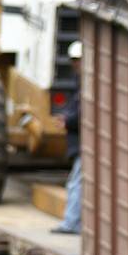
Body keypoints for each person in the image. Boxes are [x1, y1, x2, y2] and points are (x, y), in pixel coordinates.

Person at [53, 41, 83, 235]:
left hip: (82, 145)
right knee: (76, 182)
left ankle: (71, 224)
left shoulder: (87, 83)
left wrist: (67, 121)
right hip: (81, 144)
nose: (75, 65)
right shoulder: (81, 83)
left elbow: (82, 113)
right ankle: (73, 223)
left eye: (77, 61)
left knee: (76, 183)